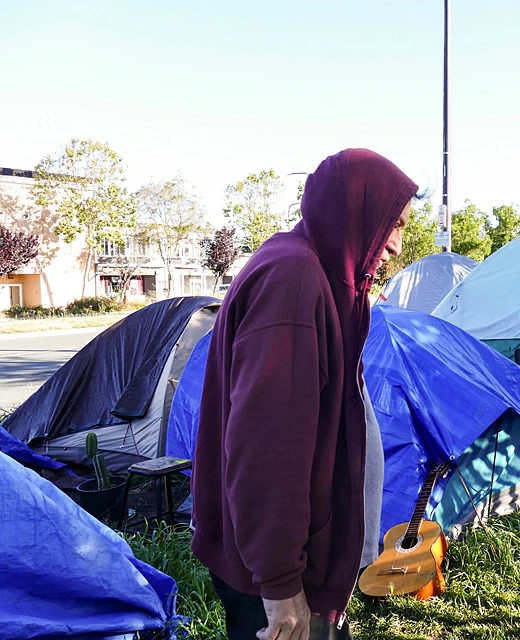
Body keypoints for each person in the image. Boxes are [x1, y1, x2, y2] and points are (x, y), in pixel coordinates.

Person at [191, 148, 417, 640]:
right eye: (392, 225)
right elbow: (267, 448)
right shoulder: (293, 281)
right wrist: (280, 582)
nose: (397, 246)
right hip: (279, 578)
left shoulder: (318, 271)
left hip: (301, 564)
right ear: (353, 213)